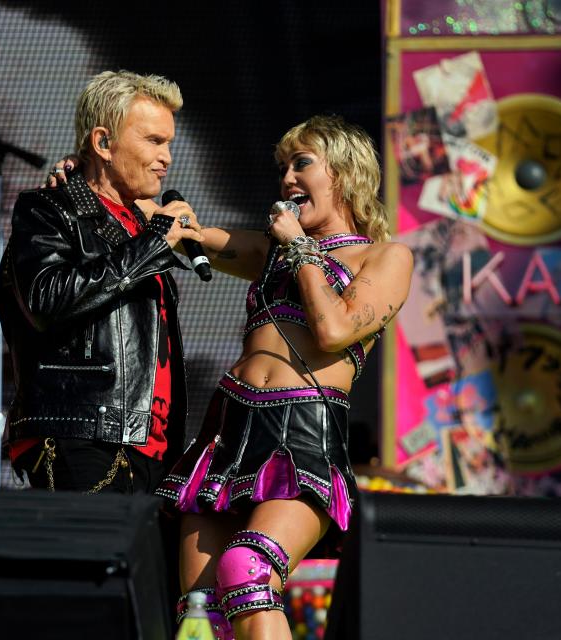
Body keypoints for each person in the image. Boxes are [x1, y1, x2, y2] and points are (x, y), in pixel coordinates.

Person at [152, 115, 414, 640]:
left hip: (300, 434)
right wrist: (81, 181)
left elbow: (334, 328)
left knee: (247, 573)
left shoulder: (386, 256)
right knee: (200, 615)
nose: (288, 179)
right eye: (283, 168)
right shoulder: (271, 253)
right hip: (227, 429)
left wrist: (298, 246)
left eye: (302, 163)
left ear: (344, 172)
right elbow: (184, 234)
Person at [0, 70, 205, 495]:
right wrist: (150, 244)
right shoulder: (48, 208)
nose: (167, 157)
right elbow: (45, 299)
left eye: (170, 144)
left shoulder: (141, 224)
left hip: (149, 445)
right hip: (81, 431)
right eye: (153, 141)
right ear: (103, 143)